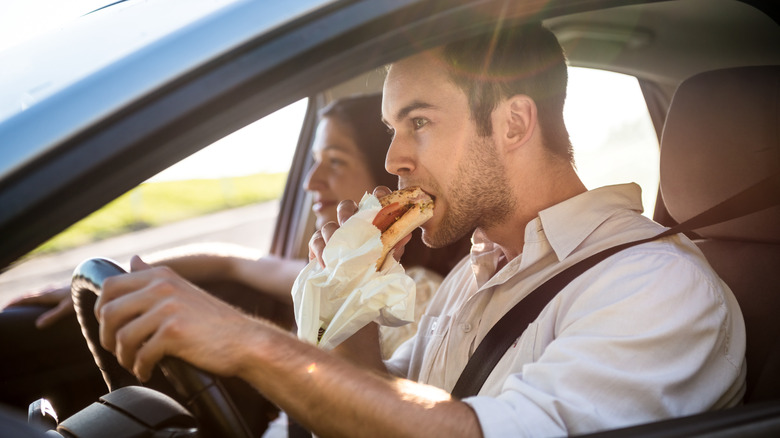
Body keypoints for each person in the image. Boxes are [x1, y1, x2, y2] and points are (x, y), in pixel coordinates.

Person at [92, 22, 745, 437]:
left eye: (420, 123)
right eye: (392, 129)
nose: (394, 159)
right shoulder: (477, 268)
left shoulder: (654, 286)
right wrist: (352, 304)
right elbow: (382, 404)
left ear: (514, 125)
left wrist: (248, 342)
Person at [1, 94, 468, 419]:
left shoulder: (421, 295)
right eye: (313, 160)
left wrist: (240, 340)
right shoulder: (332, 272)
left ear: (381, 184)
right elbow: (236, 263)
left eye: (336, 162)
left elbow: (382, 408)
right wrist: (119, 278)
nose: (311, 182)